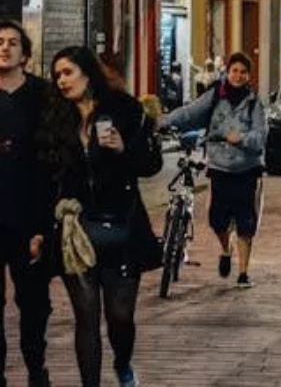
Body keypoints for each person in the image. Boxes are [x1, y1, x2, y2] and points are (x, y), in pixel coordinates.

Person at [40, 46, 162, 387]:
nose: (61, 81)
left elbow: (151, 164)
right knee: (87, 317)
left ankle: (123, 363)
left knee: (120, 317)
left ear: (87, 72)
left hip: (123, 226)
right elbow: (45, 172)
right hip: (76, 233)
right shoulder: (54, 117)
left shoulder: (125, 110)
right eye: (57, 76)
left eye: (67, 72)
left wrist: (124, 148)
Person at [162, 51, 267, 288]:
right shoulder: (214, 97)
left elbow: (260, 136)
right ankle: (225, 249)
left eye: (243, 72)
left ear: (248, 75)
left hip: (247, 170)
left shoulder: (254, 103)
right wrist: (163, 121)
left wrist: (241, 138)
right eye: (234, 71)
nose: (238, 76)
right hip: (219, 168)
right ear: (227, 72)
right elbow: (190, 113)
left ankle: (243, 273)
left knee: (245, 222)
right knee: (217, 220)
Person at [0, 20, 53, 387]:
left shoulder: (42, 95)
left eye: (12, 42)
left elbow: (52, 157)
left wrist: (44, 223)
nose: (4, 48)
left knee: (33, 302)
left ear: (26, 53)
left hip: (29, 213)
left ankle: (37, 369)